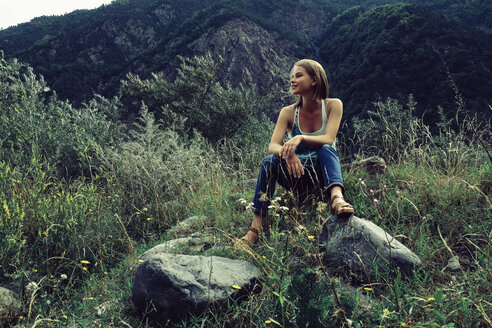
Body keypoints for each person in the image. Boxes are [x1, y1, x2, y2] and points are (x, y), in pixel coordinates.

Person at [240, 59, 354, 244]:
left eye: (299, 75)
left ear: (315, 80)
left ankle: (337, 198)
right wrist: (289, 154)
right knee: (269, 161)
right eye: (292, 77)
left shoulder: (333, 105)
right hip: (296, 173)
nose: (293, 80)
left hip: (321, 176)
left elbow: (328, 139)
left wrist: (300, 138)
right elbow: (273, 146)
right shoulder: (288, 112)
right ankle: (255, 229)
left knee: (326, 149)